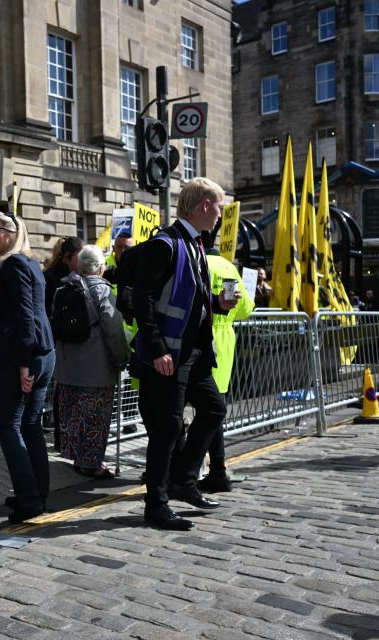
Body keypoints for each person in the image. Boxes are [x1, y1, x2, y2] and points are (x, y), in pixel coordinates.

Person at [133, 177, 237, 531]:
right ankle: (156, 504)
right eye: (219, 207)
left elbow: (189, 299)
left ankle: (184, 480)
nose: (221, 214)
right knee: (167, 428)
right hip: (170, 355)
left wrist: (217, 305)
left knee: (213, 408)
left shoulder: (195, 244)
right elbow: (142, 299)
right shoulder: (165, 244)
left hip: (194, 352)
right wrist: (157, 348)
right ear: (205, 206)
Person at [0, 211, 55, 523]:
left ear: (14, 234)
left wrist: (24, 364)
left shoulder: (15, 265)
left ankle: (30, 499)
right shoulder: (29, 264)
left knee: (7, 425)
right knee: (29, 425)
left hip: (22, 356)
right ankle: (36, 494)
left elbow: (25, 315)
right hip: (40, 353)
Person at [55, 245, 129, 478]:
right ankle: (91, 464)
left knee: (73, 415)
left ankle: (76, 458)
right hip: (95, 367)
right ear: (101, 268)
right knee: (95, 418)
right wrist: (122, 357)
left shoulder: (63, 287)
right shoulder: (102, 291)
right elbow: (113, 329)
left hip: (68, 367)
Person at [200, 240, 254, 492]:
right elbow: (245, 310)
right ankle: (217, 468)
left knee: (188, 409)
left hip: (199, 338)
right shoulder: (228, 268)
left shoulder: (197, 261)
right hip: (223, 343)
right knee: (215, 410)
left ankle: (185, 467)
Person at [43, 236, 83, 317]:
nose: (84, 259)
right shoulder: (51, 276)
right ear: (68, 255)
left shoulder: (80, 273)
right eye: (81, 256)